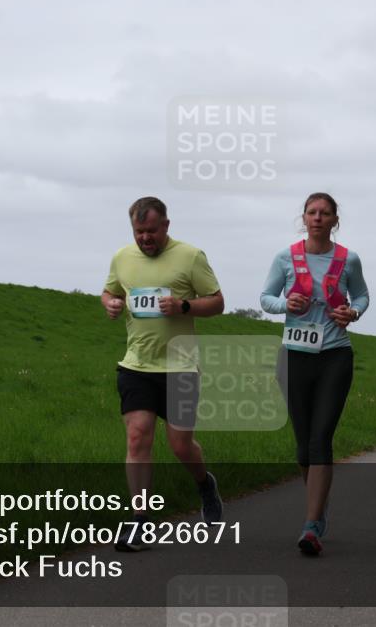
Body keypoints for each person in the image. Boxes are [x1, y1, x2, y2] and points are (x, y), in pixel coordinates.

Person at [102, 197, 225, 552]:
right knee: (137, 437)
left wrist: (183, 305)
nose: (145, 238)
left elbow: (217, 302)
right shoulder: (122, 257)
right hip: (136, 366)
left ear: (166, 226)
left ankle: (205, 484)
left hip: (180, 367)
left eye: (152, 231)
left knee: (180, 445)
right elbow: (109, 291)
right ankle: (140, 520)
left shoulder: (190, 256)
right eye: (139, 231)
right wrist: (110, 303)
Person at [261, 192, 369, 556]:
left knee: (321, 438)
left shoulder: (348, 259)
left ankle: (310, 526)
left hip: (334, 355)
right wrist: (285, 303)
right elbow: (266, 298)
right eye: (312, 212)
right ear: (304, 218)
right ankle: (318, 506)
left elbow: (362, 297)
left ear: (335, 220)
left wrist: (353, 313)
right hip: (295, 355)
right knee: (303, 445)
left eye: (325, 213)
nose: (318, 218)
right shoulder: (285, 257)